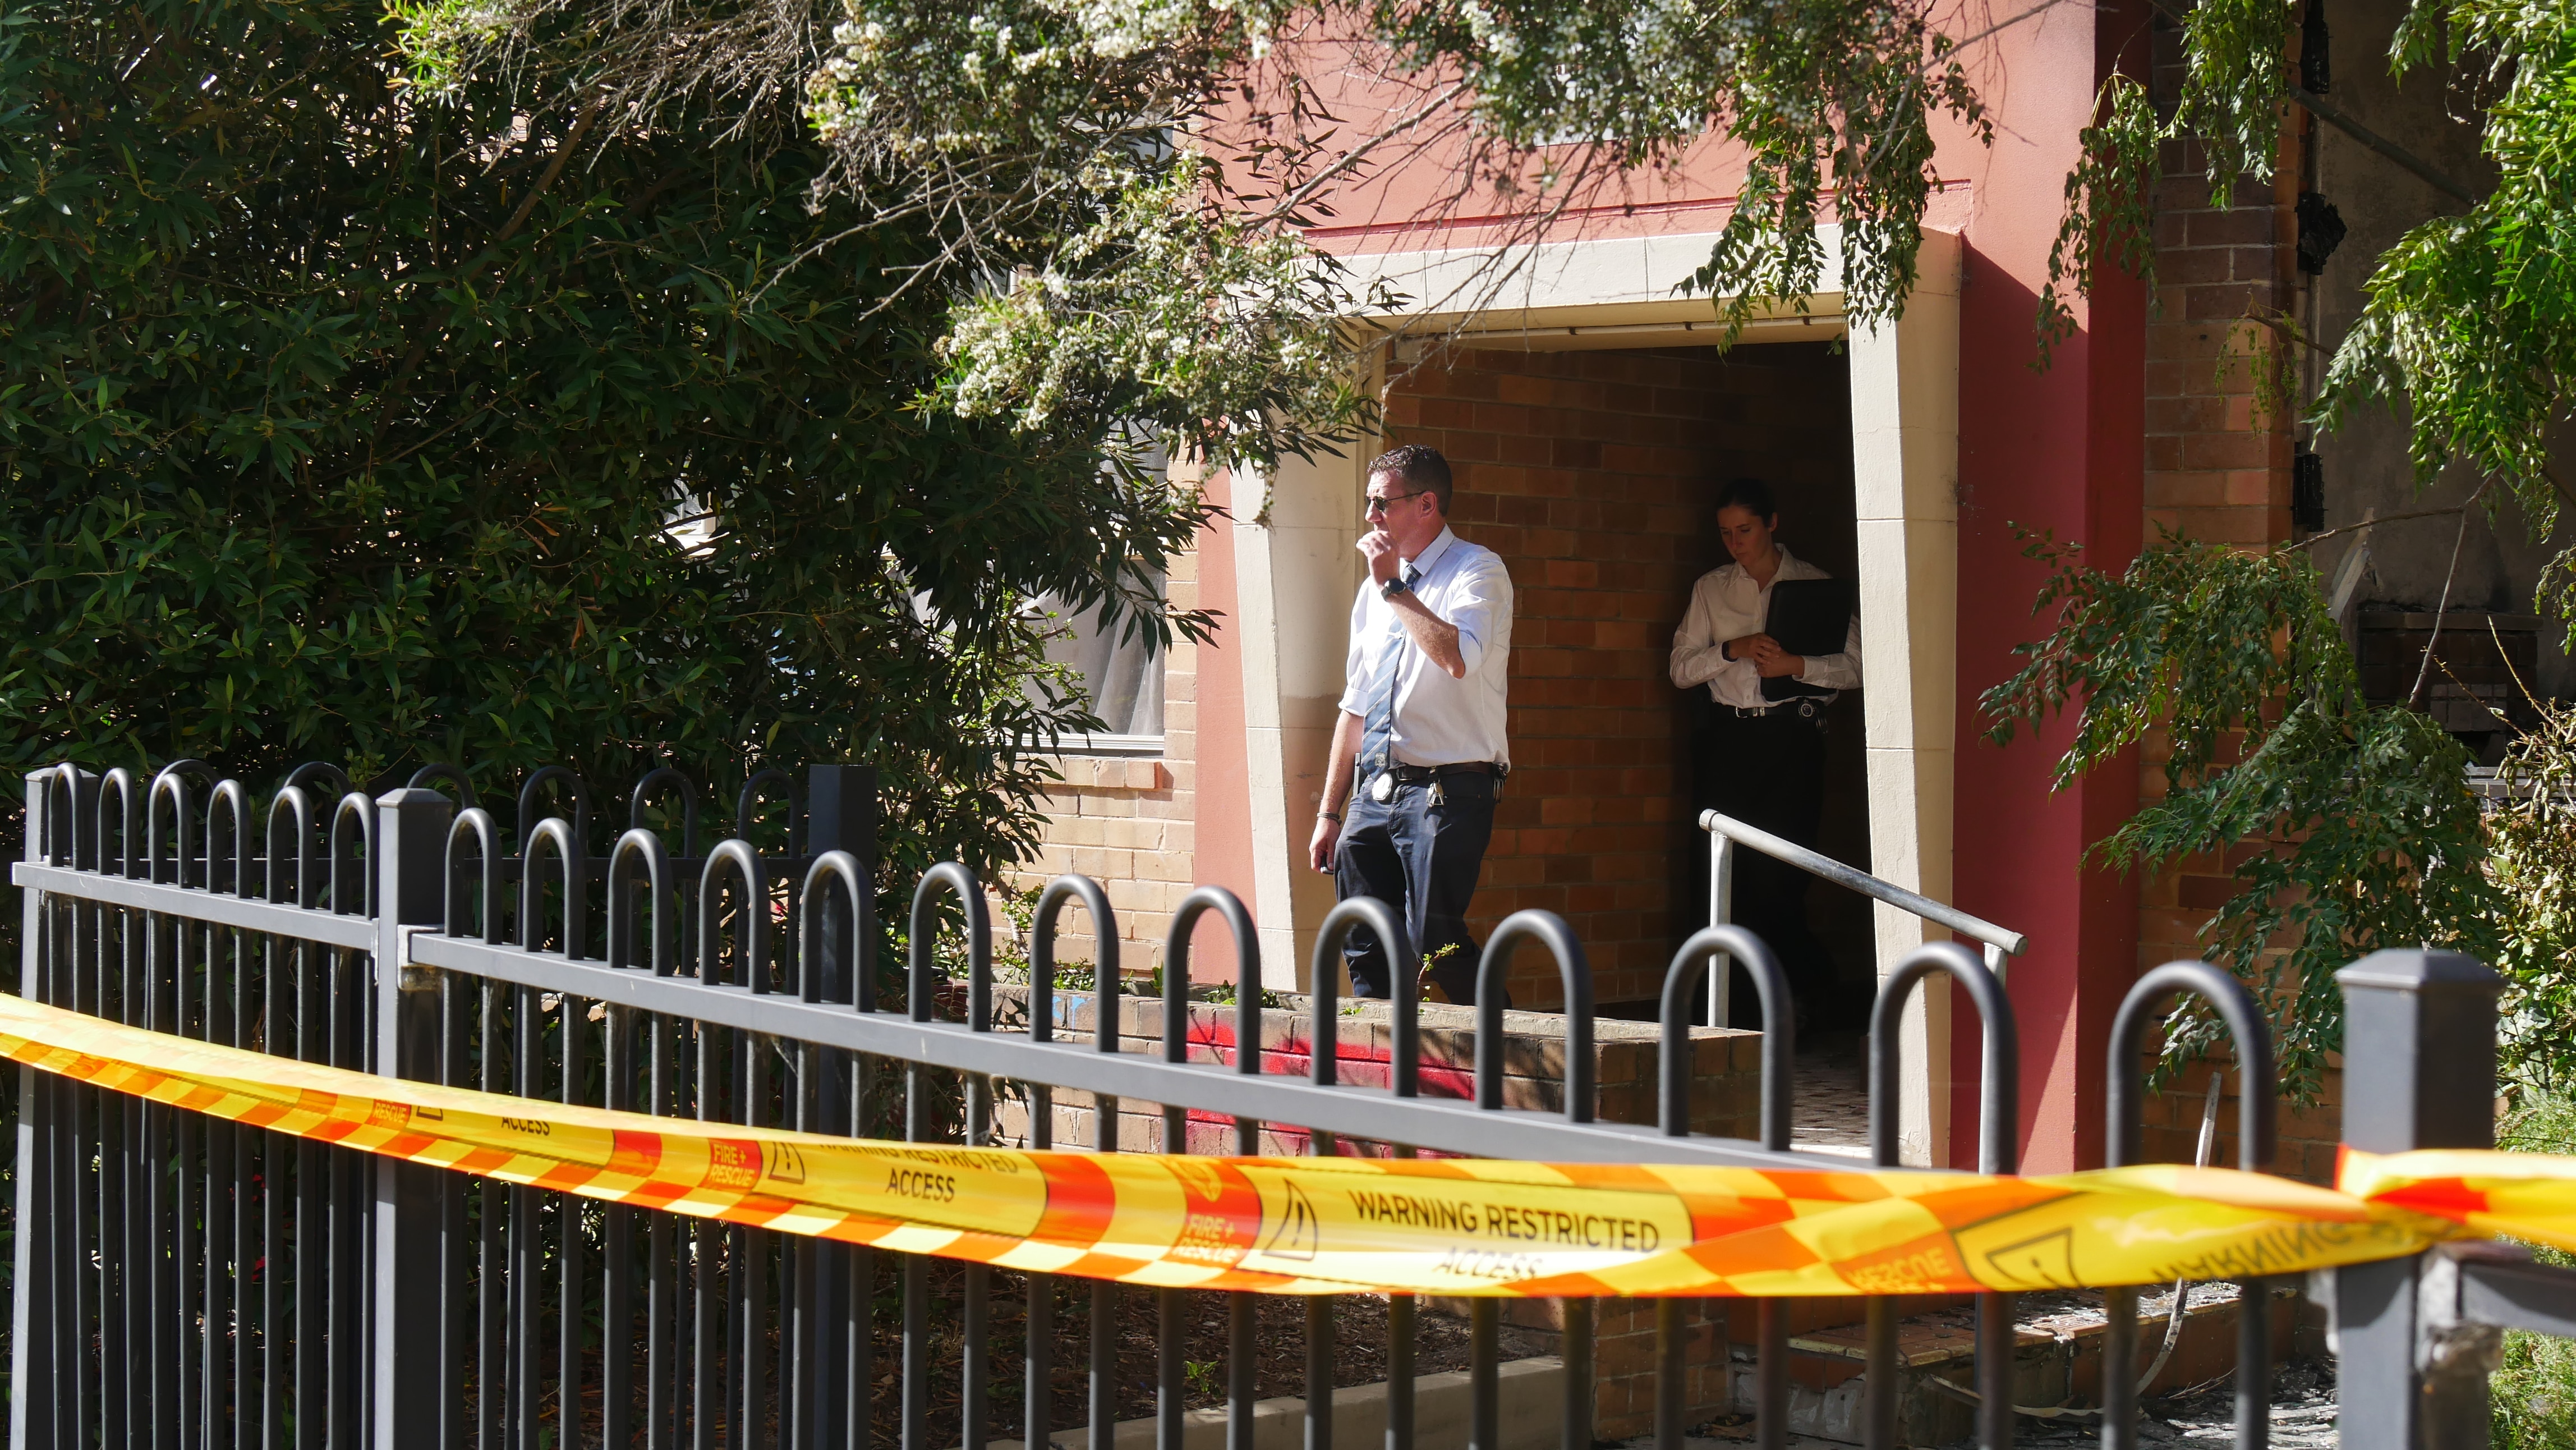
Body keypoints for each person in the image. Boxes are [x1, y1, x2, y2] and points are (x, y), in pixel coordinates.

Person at [1307, 445, 1515, 1007]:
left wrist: (1395, 588)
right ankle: (1386, 1071)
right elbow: (1355, 706)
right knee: (1363, 936)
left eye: (1383, 503)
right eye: (1368, 502)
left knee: (1435, 941)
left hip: (1448, 788)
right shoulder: (1373, 590)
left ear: (1426, 504)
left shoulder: (1477, 570)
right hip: (1375, 788)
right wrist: (1330, 812)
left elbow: (1456, 657)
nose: (1371, 515)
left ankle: (1523, 1054)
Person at [1668, 477, 1862, 1026]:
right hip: (1728, 739)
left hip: (1793, 738)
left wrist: (1796, 666)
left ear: (1772, 523)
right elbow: (1680, 670)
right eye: (1726, 533)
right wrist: (1729, 649)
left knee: (1779, 876)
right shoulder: (1710, 590)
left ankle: (1808, 995)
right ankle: (1729, 1012)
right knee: (1720, 874)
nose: (1736, 543)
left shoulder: (1815, 585)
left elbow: (1859, 666)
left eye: (1745, 530)